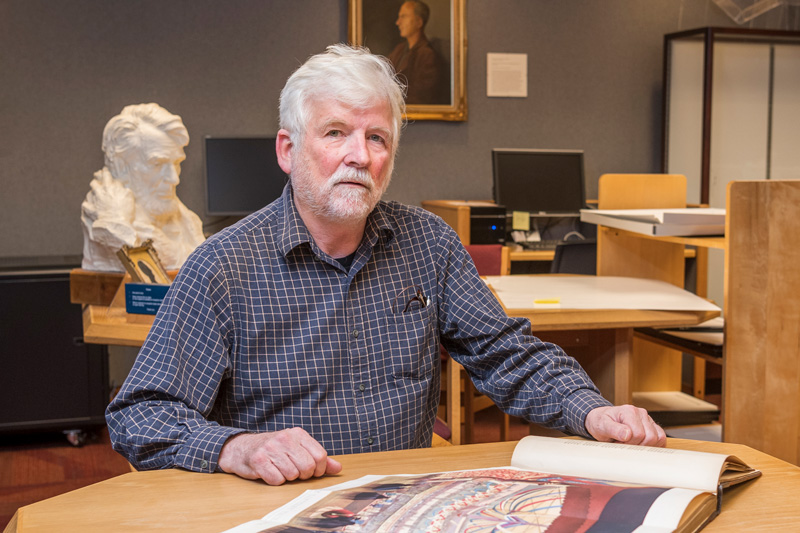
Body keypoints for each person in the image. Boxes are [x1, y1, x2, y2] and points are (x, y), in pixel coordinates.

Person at [106, 44, 665, 487]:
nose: (360, 155)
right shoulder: (223, 267)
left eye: (377, 137)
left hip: (403, 503)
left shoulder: (429, 244)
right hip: (277, 507)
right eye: (335, 133)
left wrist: (591, 412)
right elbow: (139, 415)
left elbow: (508, 356)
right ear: (286, 150)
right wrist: (234, 447)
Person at [80, 103, 205, 272]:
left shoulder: (188, 221)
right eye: (157, 163)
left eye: (176, 163)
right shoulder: (106, 221)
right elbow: (141, 267)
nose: (174, 179)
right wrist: (117, 225)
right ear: (121, 166)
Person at [387, 1, 446, 105]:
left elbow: (420, 97)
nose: (398, 22)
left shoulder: (427, 56)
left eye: (403, 16)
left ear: (419, 22)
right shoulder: (399, 50)